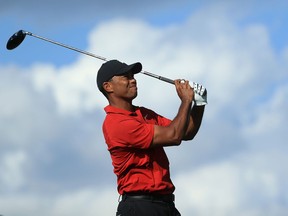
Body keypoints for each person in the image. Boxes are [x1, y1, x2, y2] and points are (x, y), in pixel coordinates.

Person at [96, 60, 207, 216]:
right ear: (108, 86)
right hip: (139, 206)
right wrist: (186, 100)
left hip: (166, 204)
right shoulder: (116, 123)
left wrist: (199, 103)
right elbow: (174, 136)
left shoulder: (144, 113)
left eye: (132, 76)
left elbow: (186, 132)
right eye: (126, 77)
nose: (133, 79)